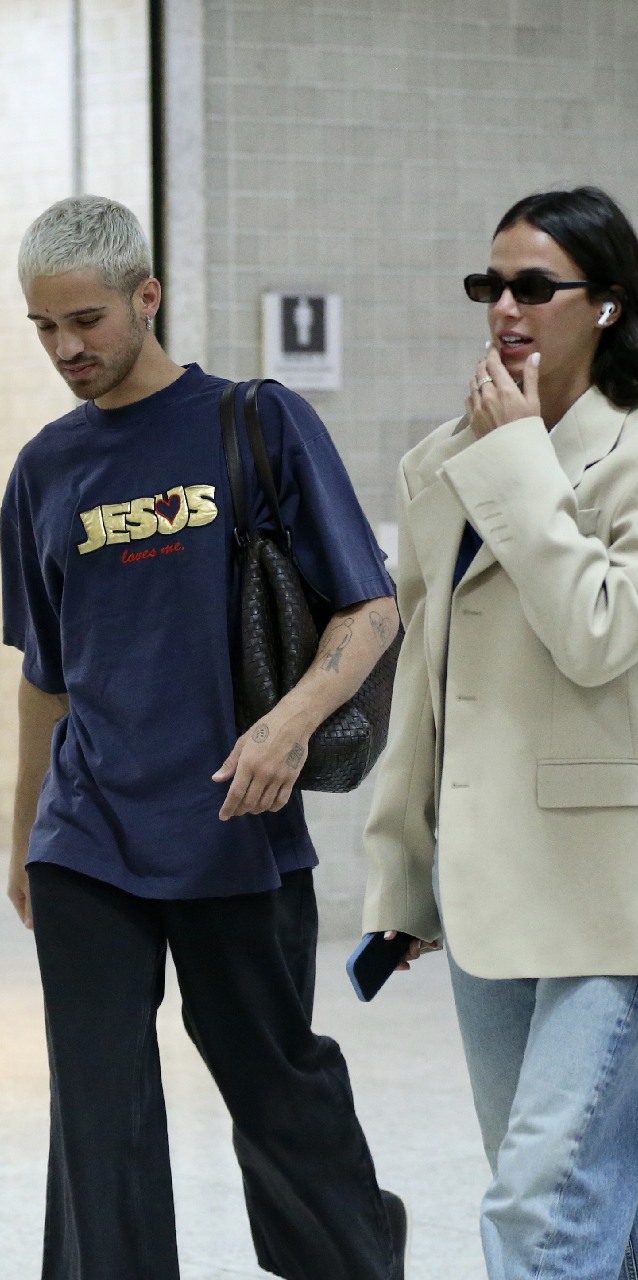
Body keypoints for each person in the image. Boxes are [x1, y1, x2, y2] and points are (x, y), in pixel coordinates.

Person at [2, 194, 410, 1280]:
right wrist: (23, 835)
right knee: (98, 1105)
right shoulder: (43, 470)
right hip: (87, 833)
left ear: (148, 296)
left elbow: (372, 607)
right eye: (43, 327)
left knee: (272, 1076)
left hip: (240, 819)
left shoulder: (256, 420)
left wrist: (286, 724)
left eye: (85, 319)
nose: (66, 348)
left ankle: (355, 1254)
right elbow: (43, 676)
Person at [361, 185, 638, 1280]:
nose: (504, 308)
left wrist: (518, 463)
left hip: (612, 887)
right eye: (490, 285)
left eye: (533, 285)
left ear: (606, 305)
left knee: (541, 1207)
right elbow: (429, 683)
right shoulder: (442, 462)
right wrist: (402, 873)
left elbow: (598, 631)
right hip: (488, 892)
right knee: (581, 1196)